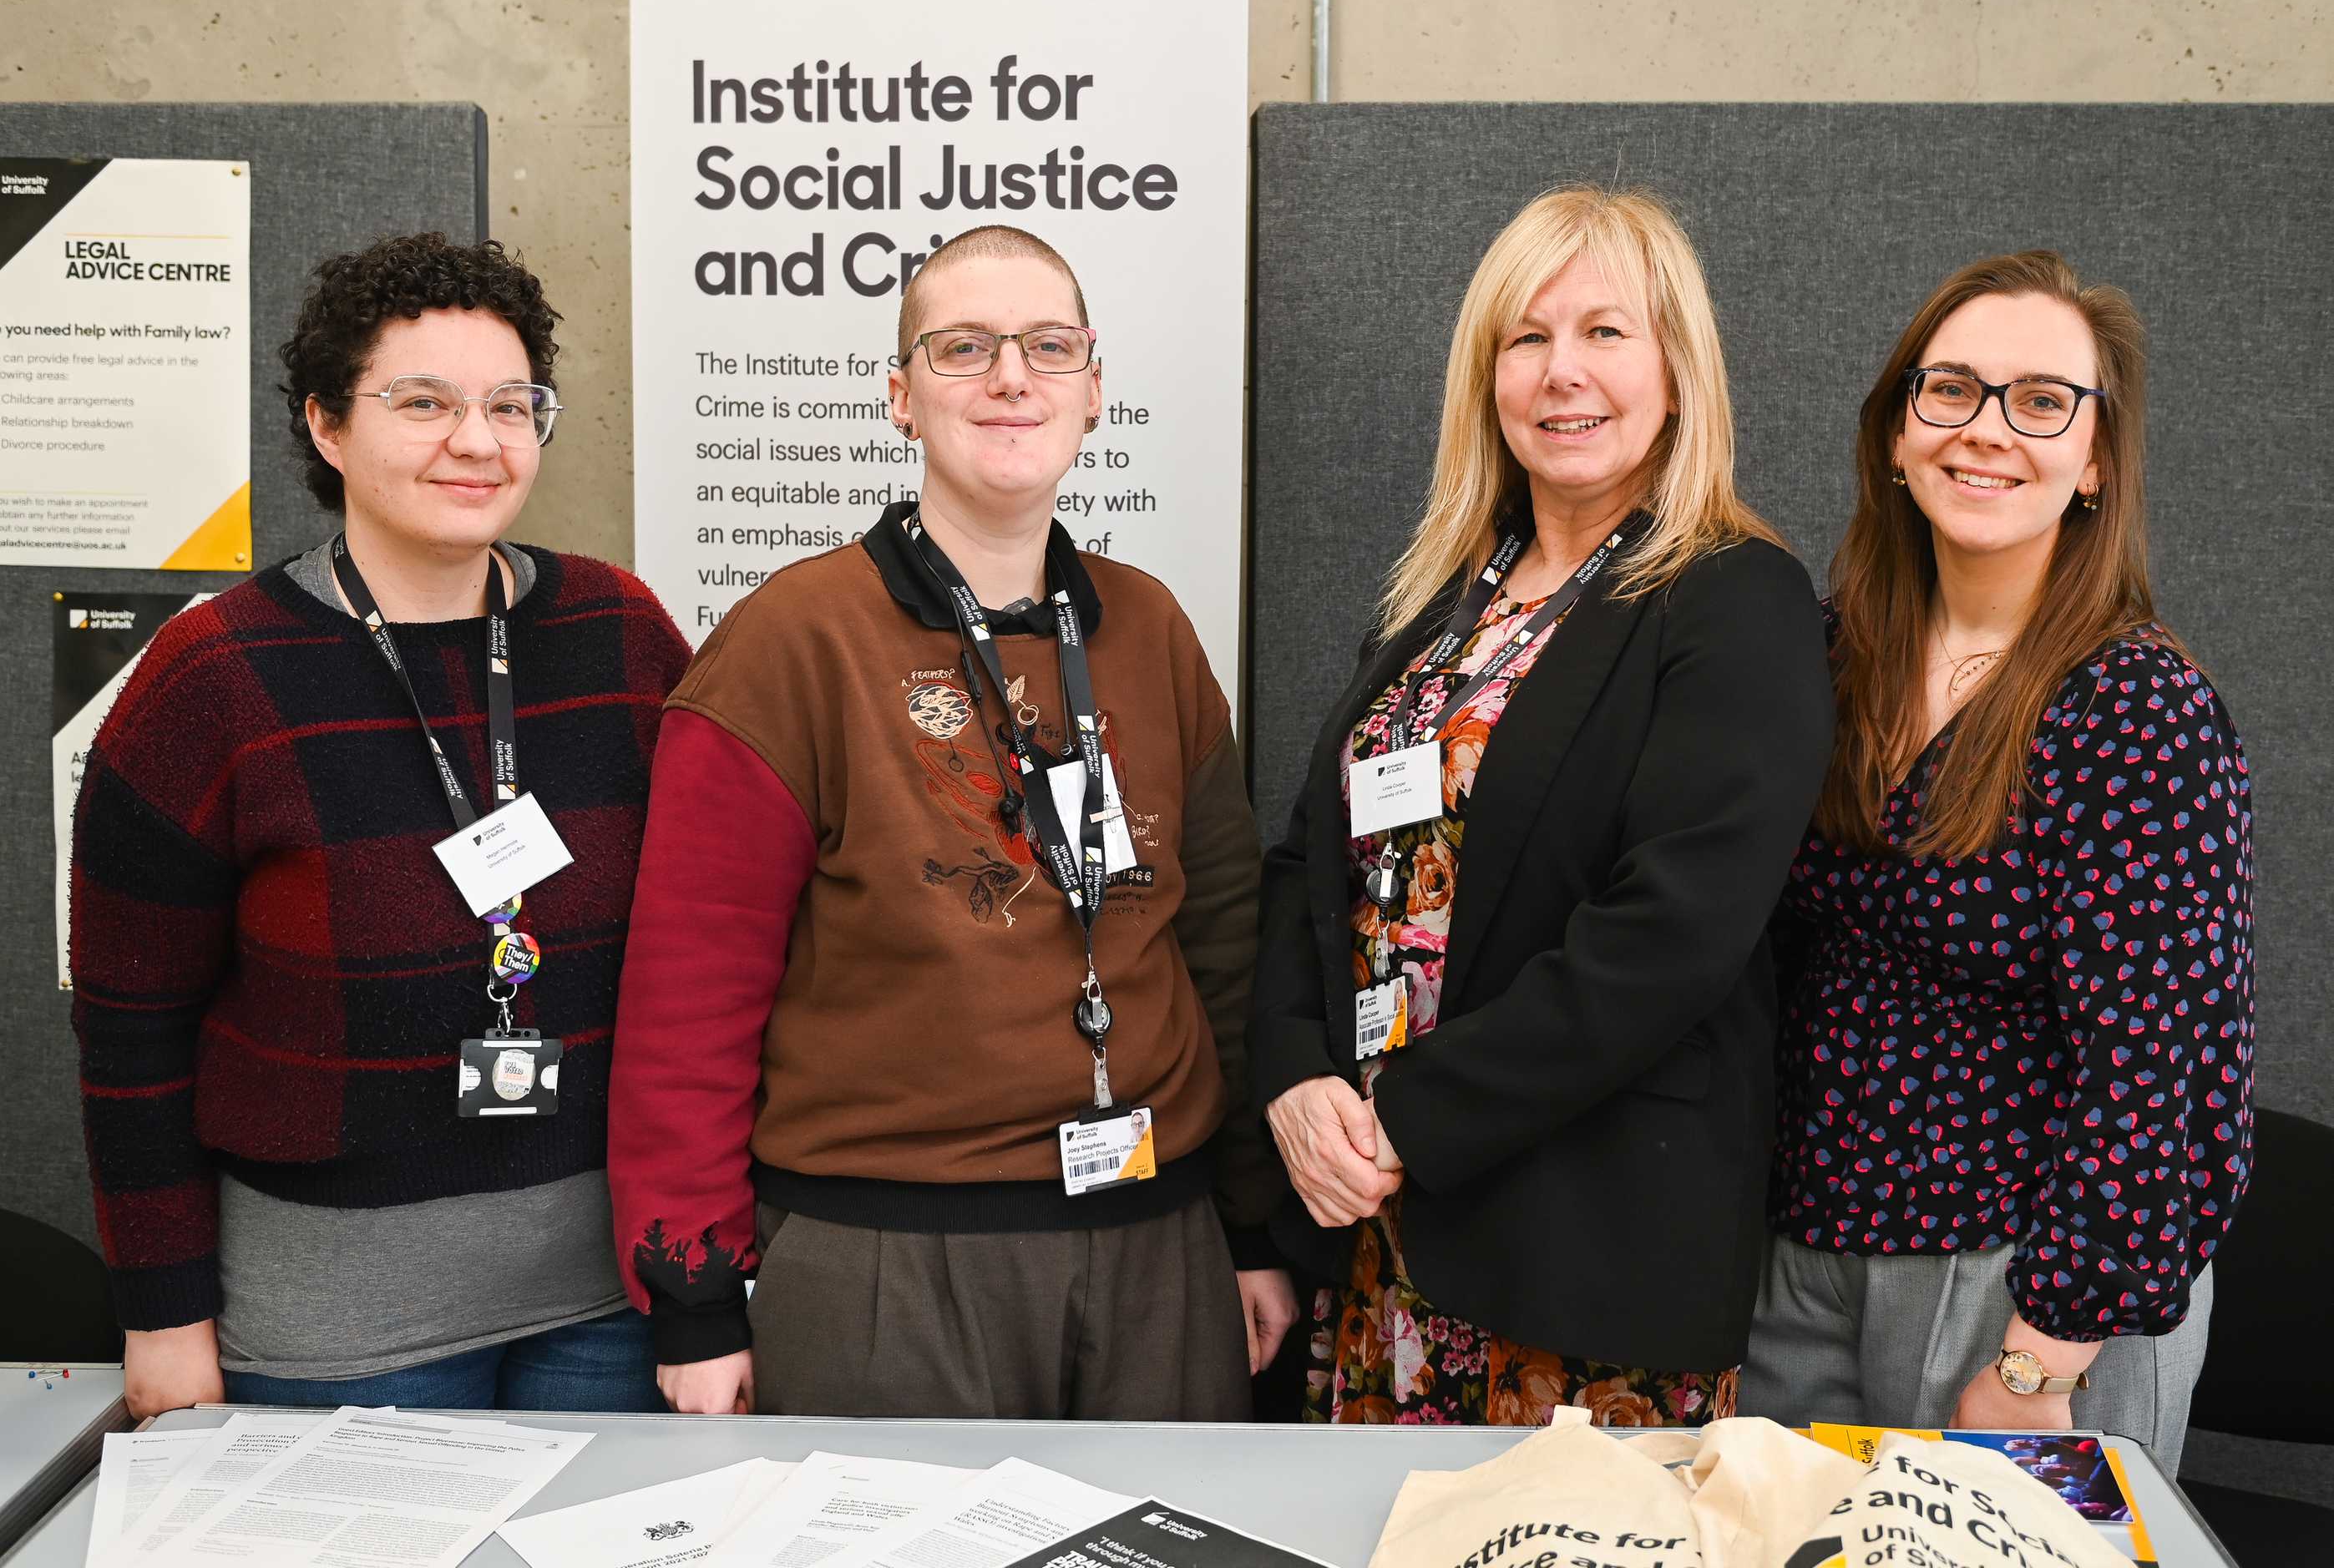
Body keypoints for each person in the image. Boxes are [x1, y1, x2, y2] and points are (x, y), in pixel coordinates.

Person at [608, 224, 1294, 1419]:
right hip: (884, 1262)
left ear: (1093, 389)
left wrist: (1248, 1225)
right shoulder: (790, 641)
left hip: (1158, 1246)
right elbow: (689, 992)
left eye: (1047, 346)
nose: (1011, 376)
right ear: (900, 399)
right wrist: (697, 1297)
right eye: (962, 346)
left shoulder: (1150, 632)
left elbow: (1223, 953)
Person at [71, 232, 691, 1414]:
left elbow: (712, 959)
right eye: (424, 402)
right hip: (336, 1335)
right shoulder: (214, 678)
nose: (478, 439)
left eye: (512, 404)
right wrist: (163, 1316)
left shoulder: (620, 634)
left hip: (610, 1308)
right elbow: (131, 1036)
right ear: (326, 426)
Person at [1249, 185, 1834, 1426]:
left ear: (1679, 369)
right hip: (1376, 1232)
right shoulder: (1442, 603)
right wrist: (1297, 1081)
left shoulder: (1738, 601)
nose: (1562, 373)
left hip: (1580, 1250)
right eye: (1526, 338)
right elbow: (1312, 867)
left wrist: (1407, 1116)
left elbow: (1671, 932)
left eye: (1605, 333)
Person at [1742, 250, 2253, 1476]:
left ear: (2098, 463)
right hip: (1805, 1260)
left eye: (2041, 401)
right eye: (1952, 389)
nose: (1987, 431)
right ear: (1898, 430)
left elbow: (2161, 1069)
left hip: (2022, 1288)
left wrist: (2042, 1353)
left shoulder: (2138, 711)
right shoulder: (1825, 661)